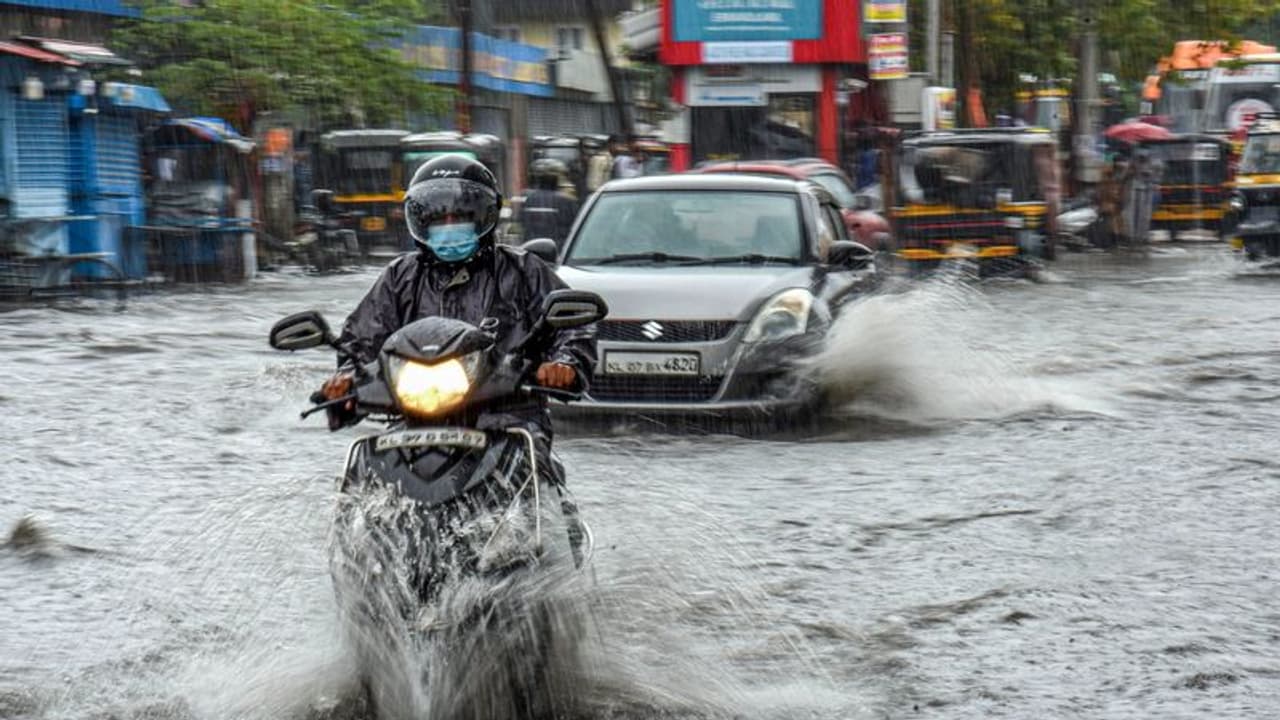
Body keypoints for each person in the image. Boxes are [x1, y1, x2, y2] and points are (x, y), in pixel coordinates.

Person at [320, 155, 597, 445]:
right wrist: (346, 378)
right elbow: (361, 341)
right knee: (363, 464)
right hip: (414, 418)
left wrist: (563, 364)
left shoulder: (524, 270)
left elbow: (574, 327)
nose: (449, 225)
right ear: (422, 222)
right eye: (439, 219)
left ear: (484, 217)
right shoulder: (400, 278)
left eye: (460, 217)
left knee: (530, 458)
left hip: (510, 420)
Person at [519, 158, 580, 249]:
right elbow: (575, 225)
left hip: (531, 246)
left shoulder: (529, 198)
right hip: (558, 247)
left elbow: (522, 221)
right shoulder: (566, 200)